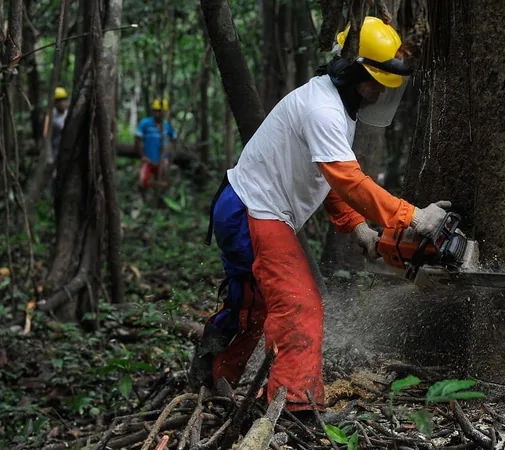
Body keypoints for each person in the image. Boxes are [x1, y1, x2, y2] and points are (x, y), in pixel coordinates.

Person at [189, 17, 452, 417]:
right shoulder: (323, 109)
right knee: (299, 305)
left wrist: (358, 227)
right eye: (376, 80)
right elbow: (347, 181)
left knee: (256, 306)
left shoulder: (334, 105)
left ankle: (215, 378)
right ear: (353, 70)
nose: (381, 91)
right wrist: (412, 217)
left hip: (248, 206)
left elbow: (326, 178)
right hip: (252, 209)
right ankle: (295, 407)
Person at [135, 98, 176, 197]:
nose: (157, 113)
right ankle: (143, 202)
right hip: (148, 160)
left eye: (160, 111)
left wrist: (168, 151)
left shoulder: (167, 125)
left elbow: (173, 139)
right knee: (142, 182)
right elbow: (137, 139)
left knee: (163, 184)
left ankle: (160, 203)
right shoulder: (145, 123)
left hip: (162, 161)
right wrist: (142, 156)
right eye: (155, 111)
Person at [50, 87, 69, 164]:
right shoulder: (50, 116)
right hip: (55, 151)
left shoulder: (69, 114)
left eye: (63, 100)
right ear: (54, 102)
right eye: (59, 100)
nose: (61, 103)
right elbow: (45, 135)